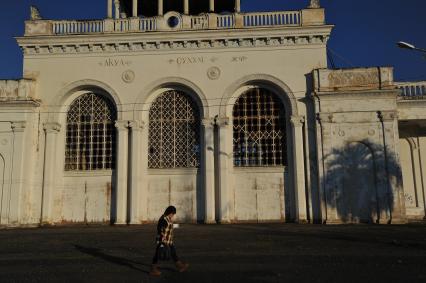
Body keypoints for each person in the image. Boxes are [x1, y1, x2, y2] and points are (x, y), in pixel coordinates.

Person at [150, 206, 189, 276]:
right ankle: (153, 270)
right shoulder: (163, 219)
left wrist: (178, 226)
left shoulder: (168, 218)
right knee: (157, 255)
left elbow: (170, 226)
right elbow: (160, 229)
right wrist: (163, 241)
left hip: (169, 241)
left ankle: (180, 266)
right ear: (170, 212)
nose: (173, 215)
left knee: (173, 253)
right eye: (173, 213)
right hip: (163, 241)